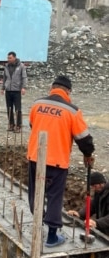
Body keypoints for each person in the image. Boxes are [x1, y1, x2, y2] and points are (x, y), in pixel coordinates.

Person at [27, 75, 95, 247]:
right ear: (68, 91)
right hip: (57, 161)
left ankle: (37, 225)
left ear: (52, 88)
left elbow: (32, 124)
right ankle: (51, 237)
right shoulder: (72, 110)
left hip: (35, 157)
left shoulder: (37, 104)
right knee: (54, 197)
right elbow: (84, 138)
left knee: (36, 192)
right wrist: (88, 154)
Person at [1, 51, 27, 133]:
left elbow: (24, 77)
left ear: (14, 58)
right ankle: (11, 124)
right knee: (9, 108)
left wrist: (23, 87)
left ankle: (18, 125)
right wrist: (3, 88)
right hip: (8, 90)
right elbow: (4, 77)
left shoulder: (21, 66)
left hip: (16, 90)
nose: (8, 59)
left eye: (10, 58)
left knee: (18, 108)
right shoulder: (6, 66)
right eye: (8, 58)